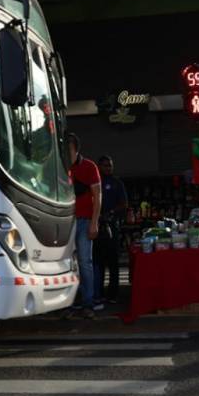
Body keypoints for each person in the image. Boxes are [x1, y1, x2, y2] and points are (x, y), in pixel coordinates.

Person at [66, 132, 101, 319]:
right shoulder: (60, 166)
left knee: (85, 263)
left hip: (84, 220)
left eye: (68, 149)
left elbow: (98, 195)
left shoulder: (89, 167)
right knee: (68, 265)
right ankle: (69, 304)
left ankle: (88, 303)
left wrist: (94, 222)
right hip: (65, 222)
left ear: (76, 149)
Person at [93, 155, 128, 309]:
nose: (109, 168)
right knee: (98, 262)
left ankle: (113, 294)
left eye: (110, 165)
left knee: (113, 262)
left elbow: (124, 204)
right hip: (97, 225)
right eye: (105, 165)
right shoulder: (95, 183)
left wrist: (111, 213)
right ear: (99, 166)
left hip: (112, 226)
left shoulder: (117, 183)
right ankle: (98, 294)